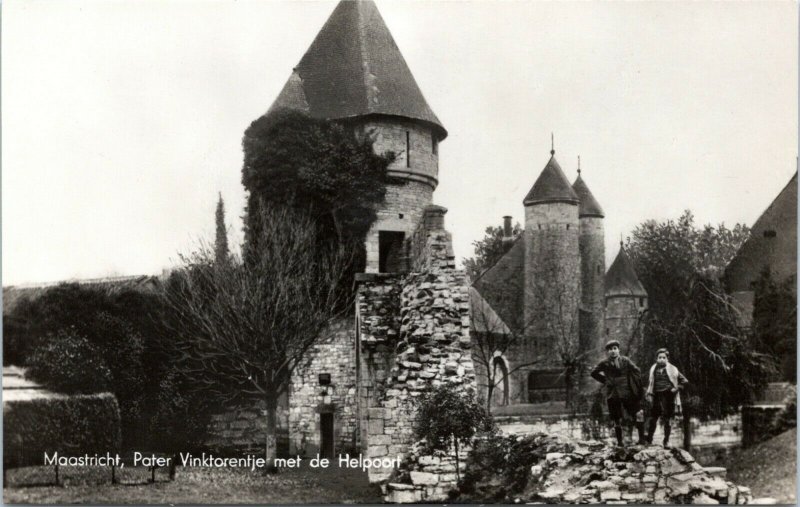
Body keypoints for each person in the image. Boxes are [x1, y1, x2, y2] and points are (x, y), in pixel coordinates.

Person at [591, 340, 646, 447]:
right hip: (613, 393)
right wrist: (606, 380)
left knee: (638, 413)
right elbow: (593, 373)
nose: (613, 351)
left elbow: (637, 371)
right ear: (607, 351)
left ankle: (642, 440)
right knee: (616, 418)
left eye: (615, 348)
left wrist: (631, 382)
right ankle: (620, 442)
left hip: (627, 392)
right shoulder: (604, 363)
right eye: (610, 349)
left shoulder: (625, 360)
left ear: (619, 350)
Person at [645, 348, 689, 448]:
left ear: (667, 359)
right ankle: (649, 440)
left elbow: (684, 381)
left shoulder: (673, 369)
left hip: (668, 396)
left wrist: (676, 388)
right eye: (659, 357)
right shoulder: (653, 369)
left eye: (664, 358)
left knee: (667, 419)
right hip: (656, 396)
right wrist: (649, 394)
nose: (661, 359)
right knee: (653, 418)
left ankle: (666, 441)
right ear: (656, 359)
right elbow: (651, 383)